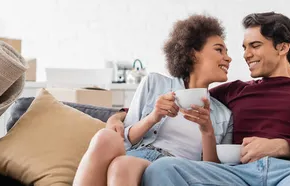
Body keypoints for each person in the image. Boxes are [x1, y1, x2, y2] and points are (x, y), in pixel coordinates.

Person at [112, 12, 290, 186]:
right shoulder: (233, 91)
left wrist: (282, 146)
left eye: (254, 45)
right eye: (243, 48)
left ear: (283, 48)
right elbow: (178, 96)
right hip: (233, 175)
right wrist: (119, 115)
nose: (245, 55)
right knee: (164, 169)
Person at [72, 14, 235, 186]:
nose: (228, 58)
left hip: (175, 169)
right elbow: (126, 140)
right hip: (140, 153)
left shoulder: (224, 115)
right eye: (219, 50)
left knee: (122, 165)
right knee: (105, 137)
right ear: (193, 54)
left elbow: (214, 173)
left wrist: (207, 131)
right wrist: (153, 116)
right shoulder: (154, 83)